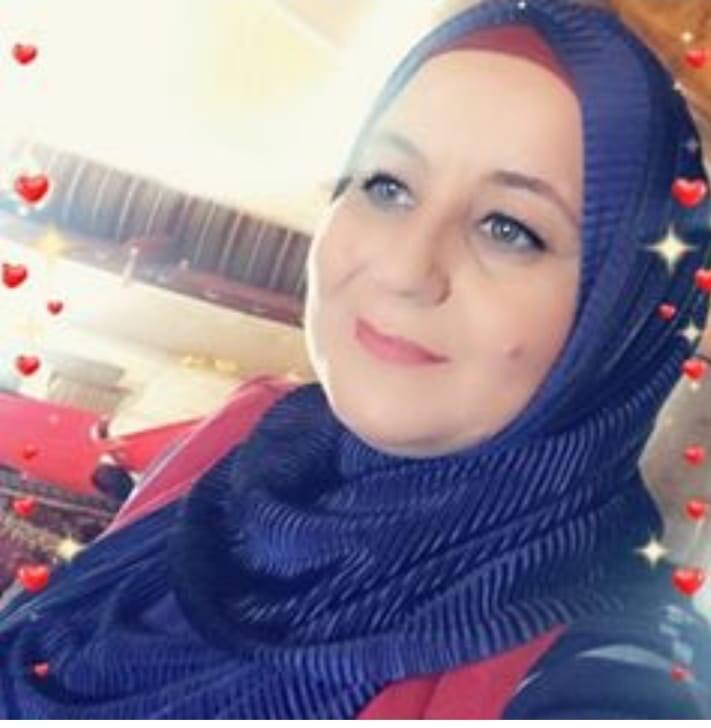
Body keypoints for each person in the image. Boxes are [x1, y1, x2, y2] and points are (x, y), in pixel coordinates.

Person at [1, 0, 711, 718]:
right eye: (387, 185)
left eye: (508, 228)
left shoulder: (613, 681)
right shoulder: (255, 433)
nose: (404, 269)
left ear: (623, 313)